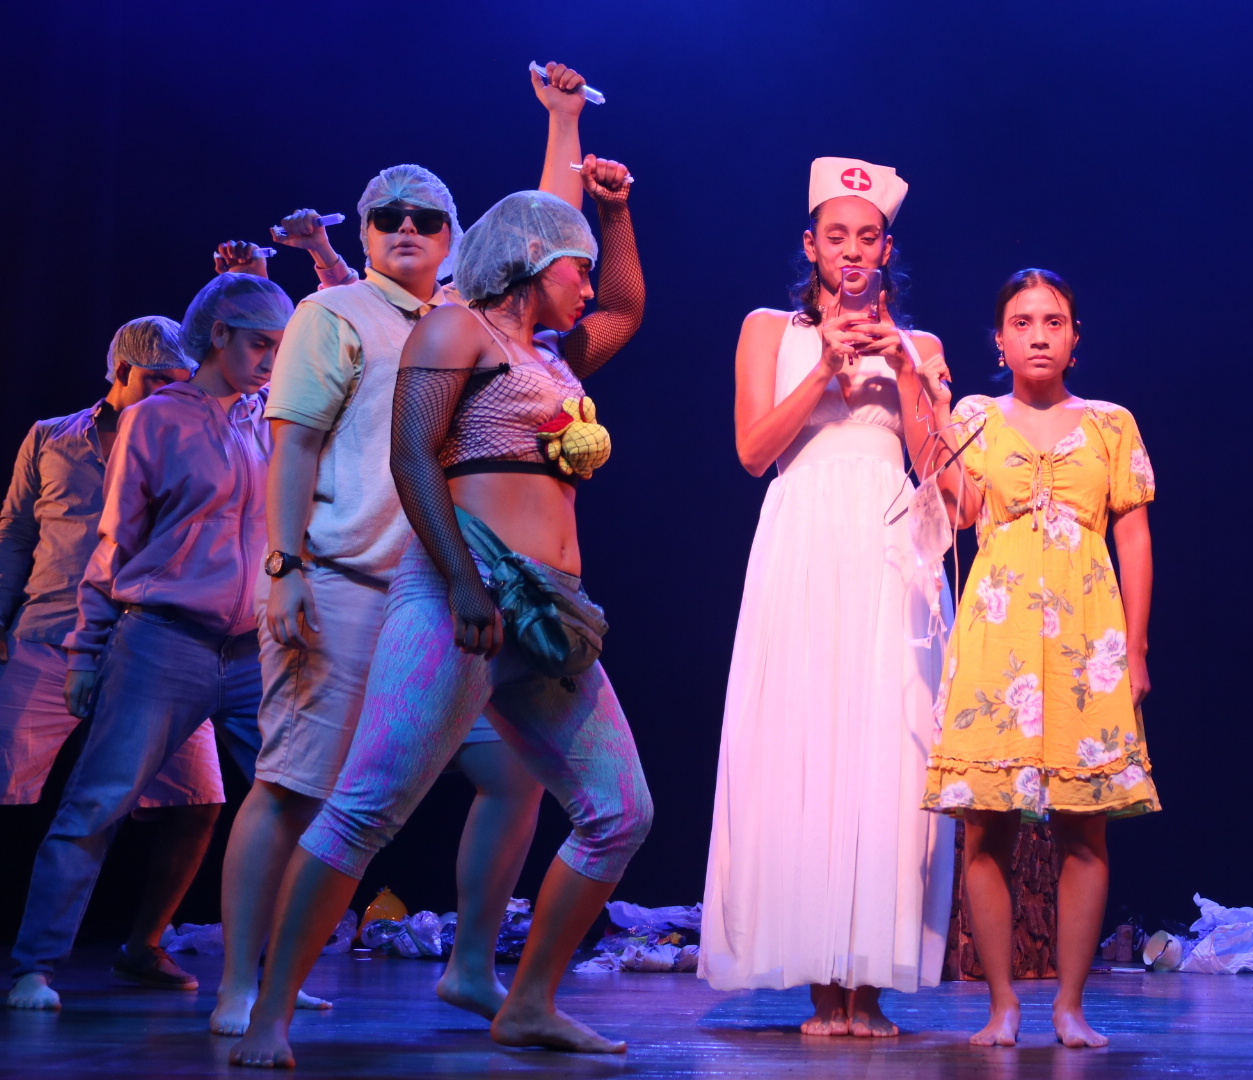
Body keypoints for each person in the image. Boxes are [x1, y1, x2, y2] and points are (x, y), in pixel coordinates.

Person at [212, 60, 604, 1035]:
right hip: (352, 582)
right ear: (363, 229)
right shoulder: (333, 312)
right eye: (386, 217)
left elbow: (547, 232)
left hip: (450, 590)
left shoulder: (470, 320)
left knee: (513, 776)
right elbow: (293, 445)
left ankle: (471, 966)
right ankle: (242, 988)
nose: (405, 230)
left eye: (427, 218)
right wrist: (284, 568)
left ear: (458, 237)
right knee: (297, 787)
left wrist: (563, 123)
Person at [701, 156, 955, 1038]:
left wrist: (906, 372)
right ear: (810, 245)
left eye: (867, 237)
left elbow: (937, 469)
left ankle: (870, 985)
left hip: (888, 549)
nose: (851, 250)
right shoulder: (767, 329)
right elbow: (752, 452)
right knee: (801, 734)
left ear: (886, 250)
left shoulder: (920, 346)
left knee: (888, 741)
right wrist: (824, 370)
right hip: (803, 538)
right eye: (836, 235)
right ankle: (817, 981)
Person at [6, 275, 291, 1012]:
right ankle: (35, 967)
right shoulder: (156, 420)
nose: (271, 360)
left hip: (249, 651)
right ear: (218, 335)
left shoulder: (270, 419)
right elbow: (114, 543)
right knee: (96, 804)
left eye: (280, 346)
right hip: (161, 642)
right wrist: (85, 652)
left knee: (296, 796)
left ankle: (278, 971)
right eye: (259, 343)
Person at [922, 268, 1156, 1050]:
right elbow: (959, 513)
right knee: (985, 827)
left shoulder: (1112, 423)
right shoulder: (975, 415)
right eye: (1021, 323)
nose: (1038, 336)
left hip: (1087, 642)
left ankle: (1070, 1004)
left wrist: (1136, 648)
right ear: (999, 340)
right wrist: (933, 414)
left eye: (1053, 321)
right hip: (997, 635)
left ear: (1075, 338)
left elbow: (1133, 537)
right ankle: (1001, 1005)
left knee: (1083, 830)